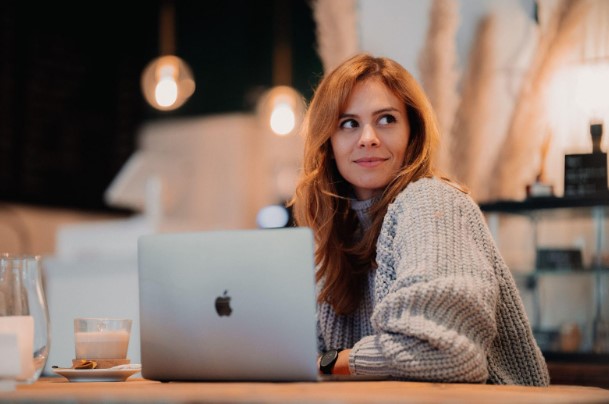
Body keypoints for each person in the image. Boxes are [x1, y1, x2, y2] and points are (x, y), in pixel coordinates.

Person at [290, 53, 550, 385]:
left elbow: (441, 352)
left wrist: (329, 363)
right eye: (349, 123)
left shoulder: (431, 202)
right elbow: (300, 353)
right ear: (328, 142)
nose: (367, 137)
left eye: (386, 119)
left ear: (413, 132)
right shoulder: (337, 234)